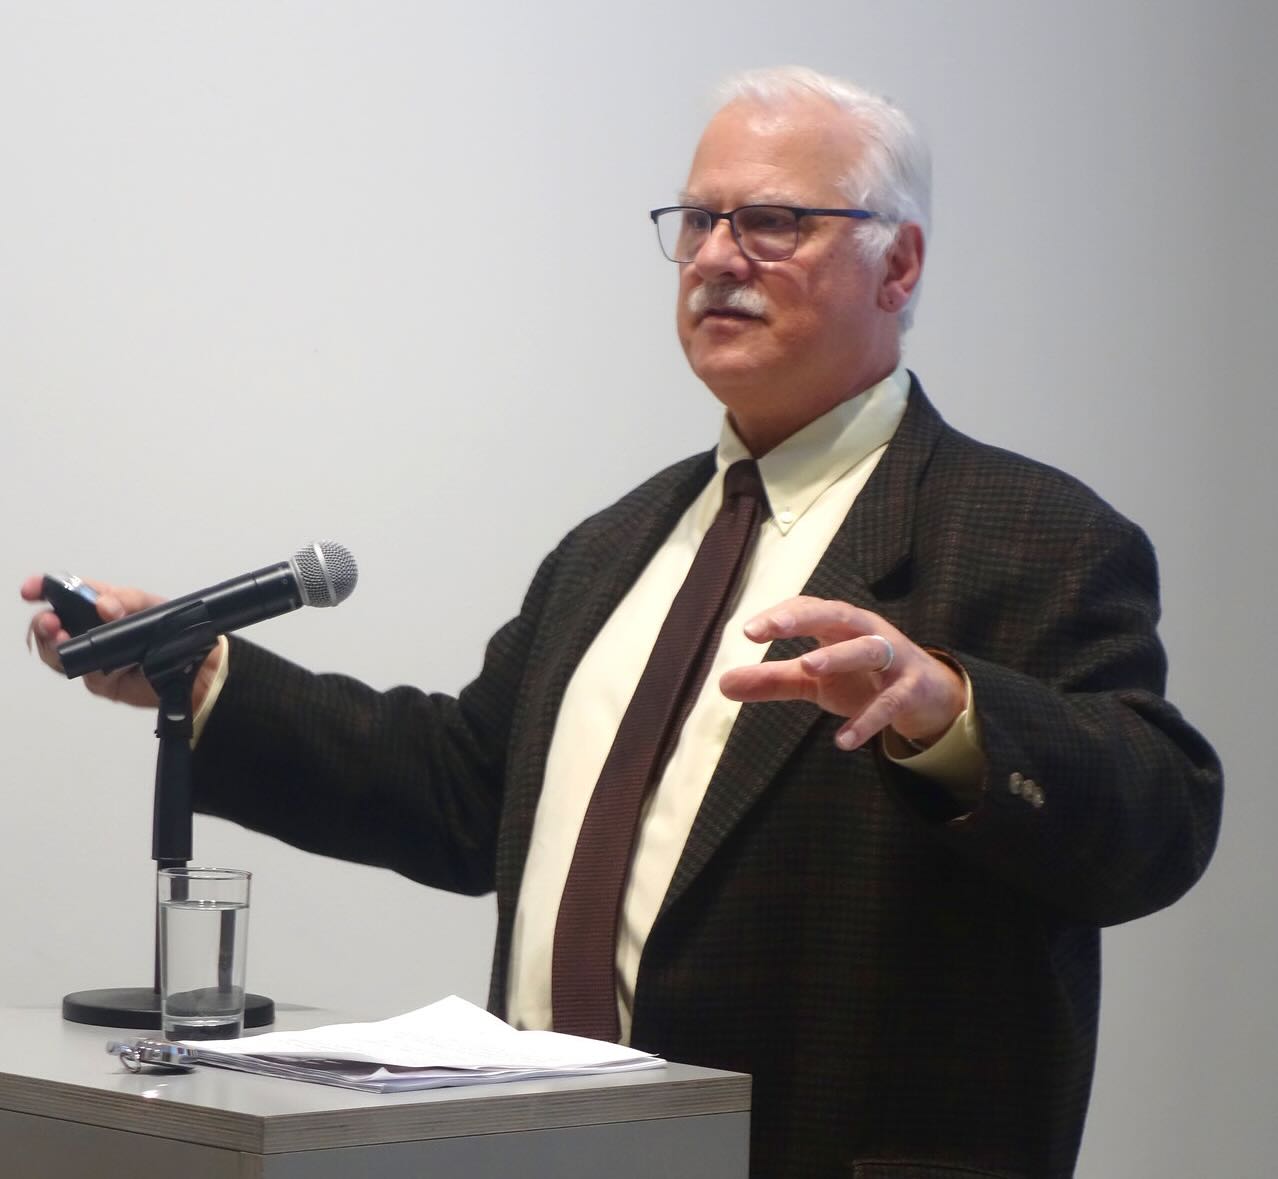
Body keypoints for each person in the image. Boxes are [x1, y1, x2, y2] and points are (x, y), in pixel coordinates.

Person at [25, 66, 1222, 1178]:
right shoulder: (618, 545)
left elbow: (1158, 824)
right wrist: (200, 673)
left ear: (898, 267)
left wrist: (954, 718)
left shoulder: (1032, 534)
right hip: (556, 1151)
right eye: (695, 221)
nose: (714, 257)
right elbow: (465, 789)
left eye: (771, 222)